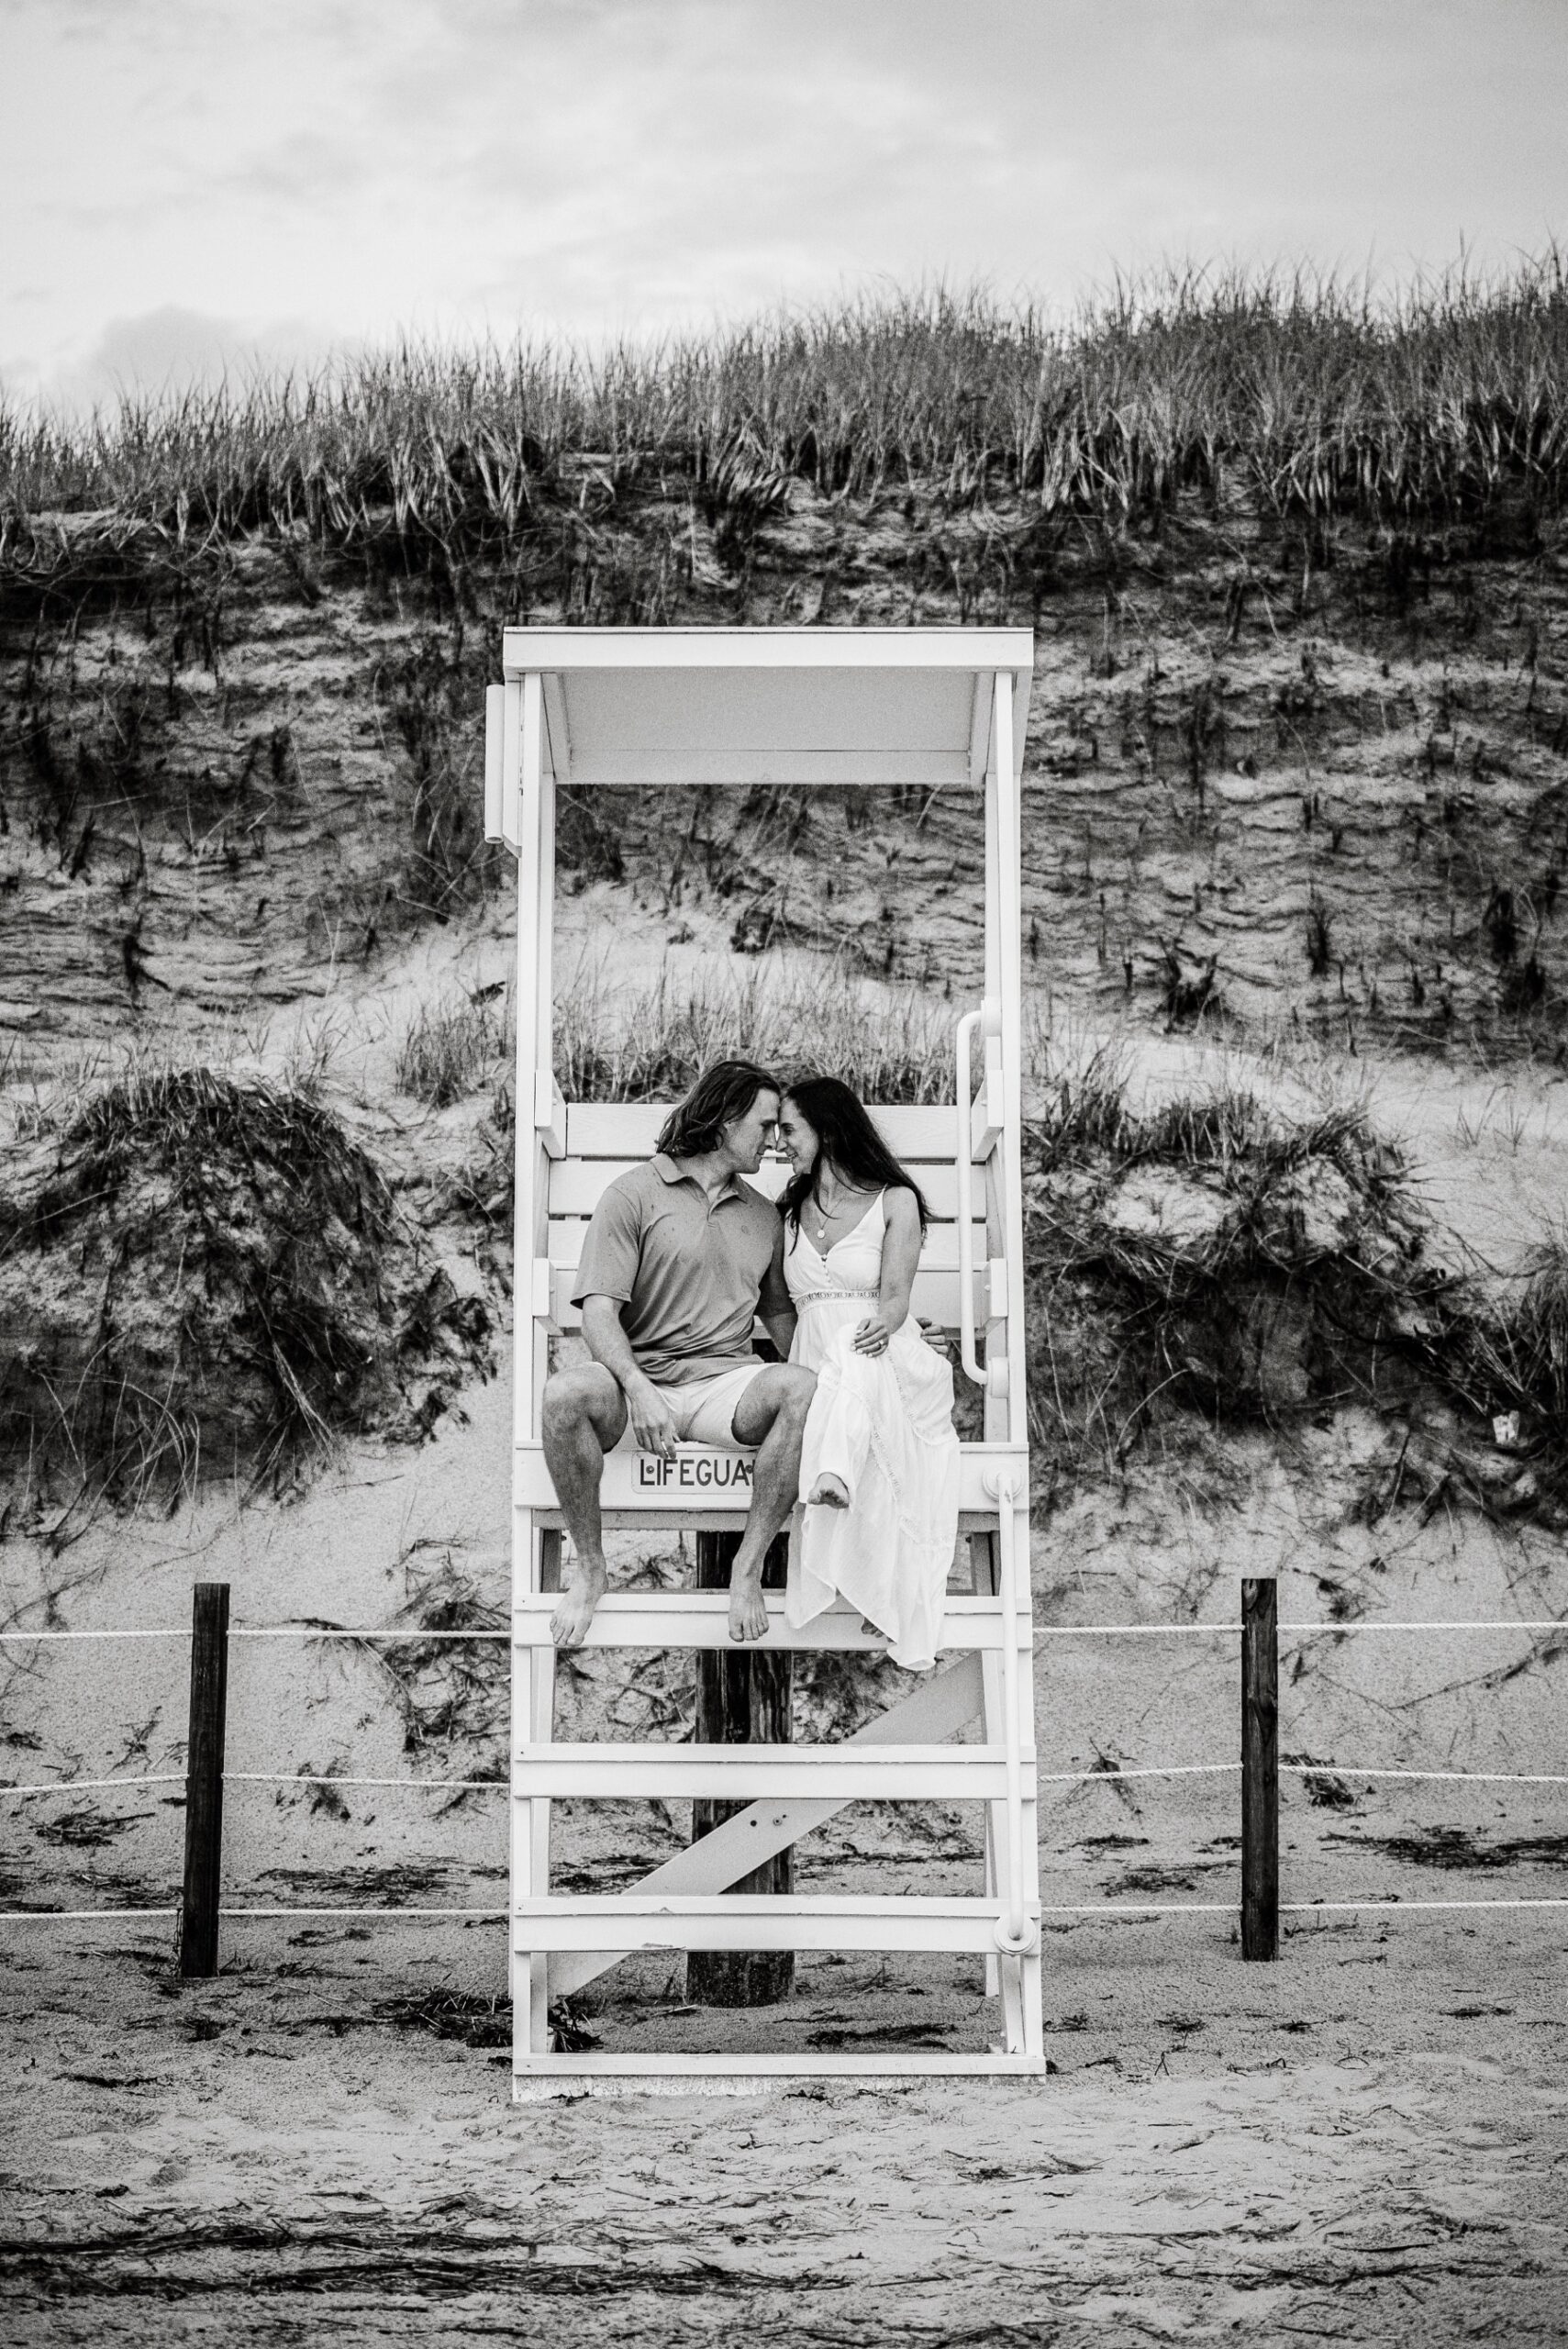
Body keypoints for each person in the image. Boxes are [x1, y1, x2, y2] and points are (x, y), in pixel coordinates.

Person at [543, 1059, 813, 1649]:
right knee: (564, 1394)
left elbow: (781, 1315)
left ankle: (748, 1568)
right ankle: (590, 1569)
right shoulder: (633, 1194)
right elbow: (597, 1313)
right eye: (765, 1125)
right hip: (642, 1381)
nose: (773, 1141)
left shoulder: (764, 1214)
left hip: (727, 1385)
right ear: (724, 1119)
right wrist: (638, 1389)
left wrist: (854, 1377)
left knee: (803, 1388)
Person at [775, 1075, 961, 1673]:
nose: (779, 1143)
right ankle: (836, 1473)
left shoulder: (894, 1200)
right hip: (815, 1364)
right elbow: (781, 1309)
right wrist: (801, 1359)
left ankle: (833, 1471)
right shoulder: (787, 1212)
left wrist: (879, 1324)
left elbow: (895, 1300)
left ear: (827, 1130)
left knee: (852, 1350)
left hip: (886, 1355)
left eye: (788, 1129)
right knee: (835, 1361)